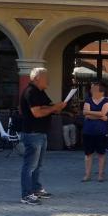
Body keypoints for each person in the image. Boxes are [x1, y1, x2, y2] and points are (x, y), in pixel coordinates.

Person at [19, 68, 66, 205]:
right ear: (37, 78)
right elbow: (37, 113)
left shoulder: (40, 92)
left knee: (38, 165)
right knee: (30, 165)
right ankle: (26, 194)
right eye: (46, 77)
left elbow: (47, 106)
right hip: (32, 132)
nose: (49, 81)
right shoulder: (30, 92)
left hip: (41, 132)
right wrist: (54, 108)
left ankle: (36, 189)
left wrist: (59, 107)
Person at [81, 82, 108, 183]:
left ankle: (101, 174)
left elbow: (103, 113)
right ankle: (87, 174)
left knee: (101, 154)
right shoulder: (88, 100)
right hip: (88, 131)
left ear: (101, 91)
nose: (91, 90)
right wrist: (101, 116)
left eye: (94, 89)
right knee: (88, 154)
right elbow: (86, 114)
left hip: (101, 131)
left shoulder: (106, 101)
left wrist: (90, 113)